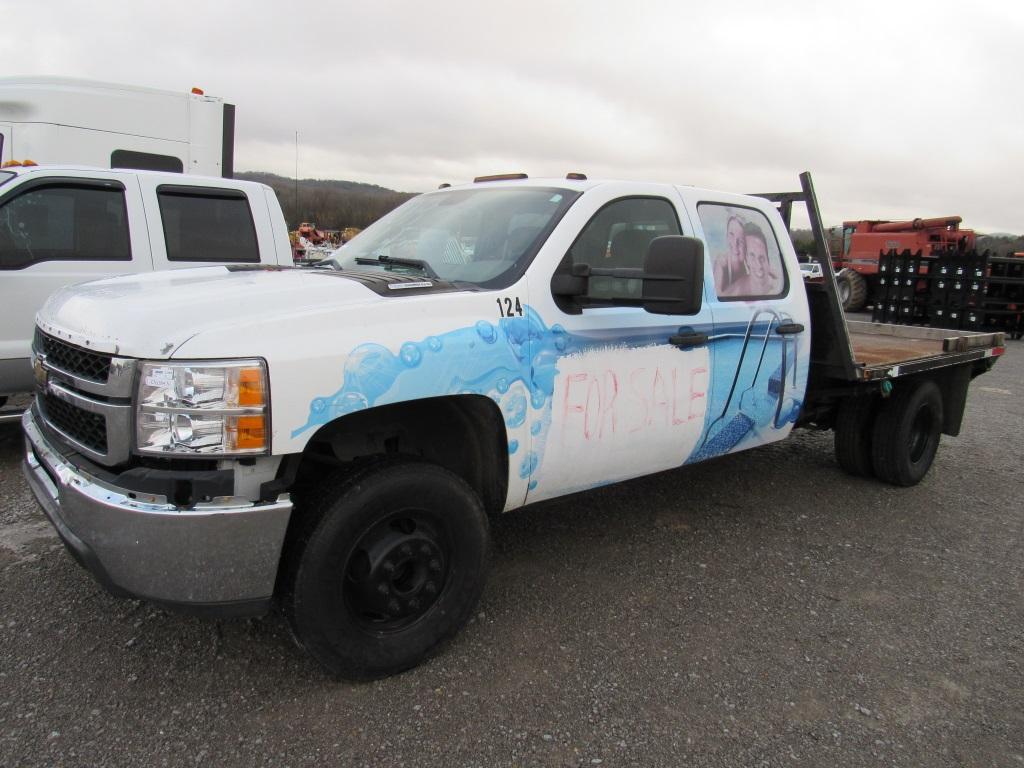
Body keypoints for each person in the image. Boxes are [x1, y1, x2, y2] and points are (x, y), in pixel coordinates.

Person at [724, 222, 781, 296]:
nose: (759, 265)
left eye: (762, 257)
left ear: (767, 257)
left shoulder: (780, 287)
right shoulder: (734, 292)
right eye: (752, 256)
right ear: (746, 259)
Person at [713, 214, 747, 295]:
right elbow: (716, 295)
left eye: (741, 240)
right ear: (726, 236)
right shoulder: (722, 262)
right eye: (731, 234)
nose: (735, 243)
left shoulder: (750, 264)